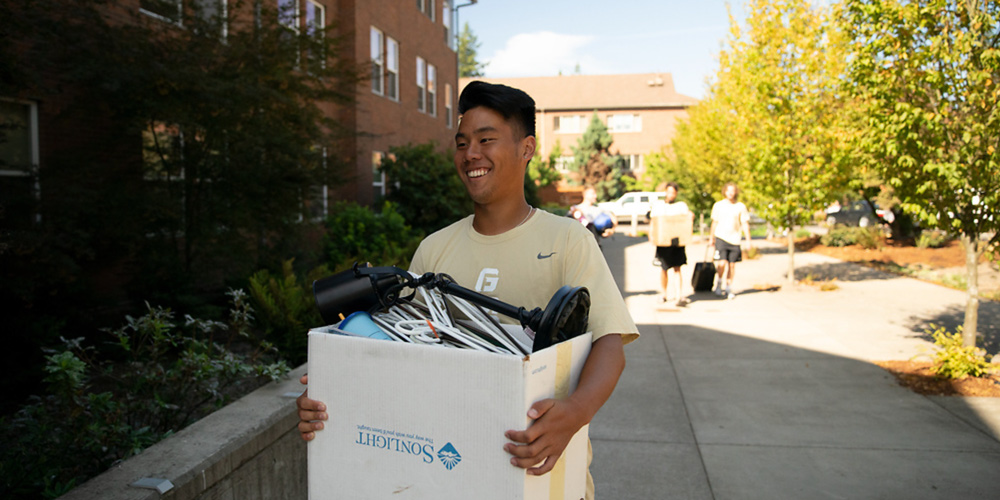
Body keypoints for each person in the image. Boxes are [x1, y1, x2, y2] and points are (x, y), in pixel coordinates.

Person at [296, 81, 639, 499]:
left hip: (542, 481)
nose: (470, 154)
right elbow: (395, 356)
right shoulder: (434, 249)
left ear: (526, 148)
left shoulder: (567, 240)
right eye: (462, 143)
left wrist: (575, 412)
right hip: (450, 476)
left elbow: (609, 345)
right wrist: (336, 393)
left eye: (486, 140)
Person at [650, 181, 692, 306]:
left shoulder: (681, 206)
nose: (671, 195)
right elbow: (654, 222)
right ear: (665, 192)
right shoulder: (659, 206)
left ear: (676, 193)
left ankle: (678, 295)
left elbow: (687, 219)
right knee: (664, 269)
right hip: (663, 242)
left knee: (677, 268)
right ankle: (664, 294)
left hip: (677, 242)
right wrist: (651, 236)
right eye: (669, 192)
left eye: (673, 192)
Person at [708, 182, 752, 299]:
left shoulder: (740, 207)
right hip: (721, 237)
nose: (730, 193)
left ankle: (728, 287)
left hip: (735, 239)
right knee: (722, 263)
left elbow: (744, 223)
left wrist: (748, 240)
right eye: (728, 191)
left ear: (736, 192)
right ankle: (719, 282)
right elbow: (714, 222)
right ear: (725, 192)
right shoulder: (718, 205)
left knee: (732, 265)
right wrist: (711, 238)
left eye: (733, 191)